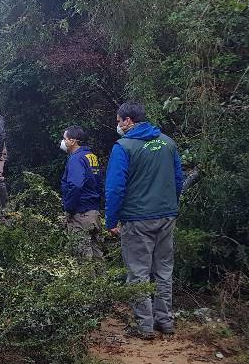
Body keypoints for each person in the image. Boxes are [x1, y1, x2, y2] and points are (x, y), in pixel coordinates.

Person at [105, 102, 183, 340]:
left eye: (119, 121)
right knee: (164, 270)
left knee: (138, 272)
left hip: (137, 219)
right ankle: (165, 321)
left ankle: (145, 326)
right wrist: (170, 205)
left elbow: (115, 188)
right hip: (167, 216)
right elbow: (178, 179)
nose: (118, 125)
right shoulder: (168, 143)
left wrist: (111, 220)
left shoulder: (123, 147)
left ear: (128, 121)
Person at [60, 126, 103, 259]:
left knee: (83, 257)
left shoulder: (76, 159)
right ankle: (102, 280)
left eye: (64, 138)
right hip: (94, 212)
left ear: (72, 141)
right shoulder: (91, 156)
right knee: (96, 253)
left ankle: (89, 281)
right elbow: (100, 183)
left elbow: (75, 185)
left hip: (80, 214)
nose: (63, 142)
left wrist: (69, 208)